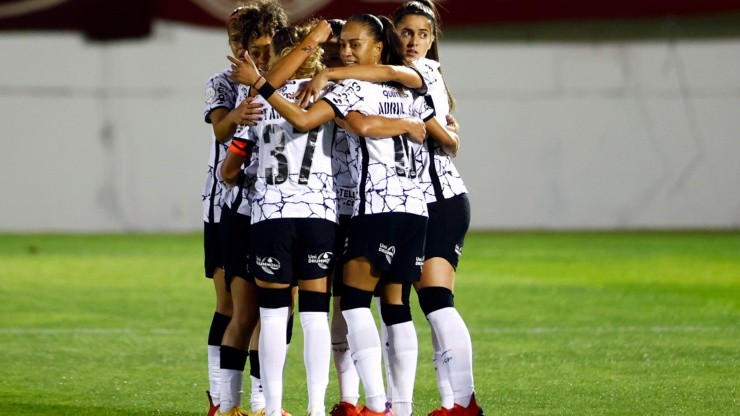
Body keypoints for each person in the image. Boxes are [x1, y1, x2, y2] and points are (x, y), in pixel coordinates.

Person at [228, 14, 432, 416]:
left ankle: (270, 408)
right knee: (319, 317)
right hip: (323, 214)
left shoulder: (252, 100)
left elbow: (230, 168)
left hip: (270, 213)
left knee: (272, 318)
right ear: (313, 53)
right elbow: (325, 121)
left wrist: (257, 89)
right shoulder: (336, 92)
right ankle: (321, 409)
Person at [393, 2, 484, 416]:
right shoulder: (411, 77)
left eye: (423, 34)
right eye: (406, 32)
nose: (413, 41)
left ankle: (464, 403)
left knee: (435, 300)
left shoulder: (422, 73)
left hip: (438, 200)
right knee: (421, 305)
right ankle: (450, 403)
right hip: (411, 203)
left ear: (433, 40)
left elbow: (450, 142)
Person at [216, 2, 290, 416]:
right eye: (254, 49)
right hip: (244, 209)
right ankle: (230, 405)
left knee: (279, 309)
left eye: (268, 48)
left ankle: (263, 404)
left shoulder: (293, 87)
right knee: (244, 311)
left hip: (283, 213)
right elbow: (228, 157)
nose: (262, 57)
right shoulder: (237, 86)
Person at [202, 5, 262, 416]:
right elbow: (221, 128)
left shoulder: (279, 81)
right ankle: (220, 397)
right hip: (223, 203)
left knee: (271, 306)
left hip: (271, 206)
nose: (242, 48)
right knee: (229, 305)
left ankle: (261, 402)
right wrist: (244, 107)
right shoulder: (221, 82)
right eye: (237, 40)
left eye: (253, 41)